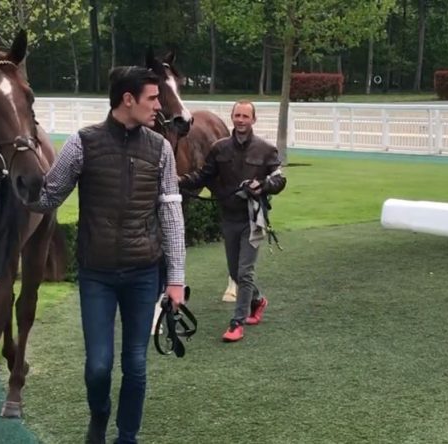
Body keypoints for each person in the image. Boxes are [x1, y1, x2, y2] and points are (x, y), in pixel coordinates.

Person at [27, 66, 186, 444]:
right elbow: (48, 196)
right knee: (99, 367)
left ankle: (126, 436)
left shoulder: (161, 148)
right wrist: (16, 188)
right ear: (127, 100)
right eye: (152, 98)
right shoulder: (83, 143)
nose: (159, 106)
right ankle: (99, 414)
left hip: (144, 273)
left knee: (136, 364)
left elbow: (171, 213)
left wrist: (176, 278)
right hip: (96, 274)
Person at [178, 100, 286, 342]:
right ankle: (258, 301)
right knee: (236, 272)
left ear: (253, 120)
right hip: (228, 217)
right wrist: (178, 181)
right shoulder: (219, 149)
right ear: (232, 118)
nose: (240, 120)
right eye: (237, 115)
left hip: (252, 217)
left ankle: (237, 323)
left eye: (245, 116)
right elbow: (203, 176)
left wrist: (263, 185)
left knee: (245, 272)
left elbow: (280, 180)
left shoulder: (266, 150)